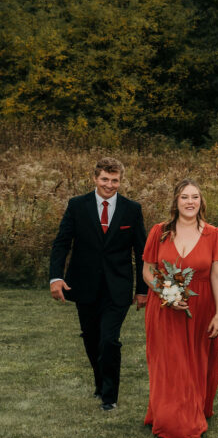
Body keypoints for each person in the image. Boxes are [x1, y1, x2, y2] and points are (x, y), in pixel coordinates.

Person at [49, 157, 147, 411]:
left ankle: (109, 397)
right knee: (91, 338)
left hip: (118, 287)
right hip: (84, 285)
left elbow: (142, 251)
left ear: (120, 181)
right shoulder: (77, 206)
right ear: (95, 178)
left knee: (109, 340)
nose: (109, 185)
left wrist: (142, 290)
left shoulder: (132, 209)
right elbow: (62, 243)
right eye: (105, 179)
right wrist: (56, 277)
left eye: (115, 180)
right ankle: (99, 380)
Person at [141, 179, 218, 438]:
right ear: (175, 201)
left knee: (195, 362)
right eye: (184, 197)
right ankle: (171, 416)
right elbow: (147, 271)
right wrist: (167, 293)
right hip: (164, 309)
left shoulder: (213, 234)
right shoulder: (160, 232)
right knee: (170, 363)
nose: (190, 202)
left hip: (201, 307)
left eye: (195, 197)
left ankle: (191, 409)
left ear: (201, 201)